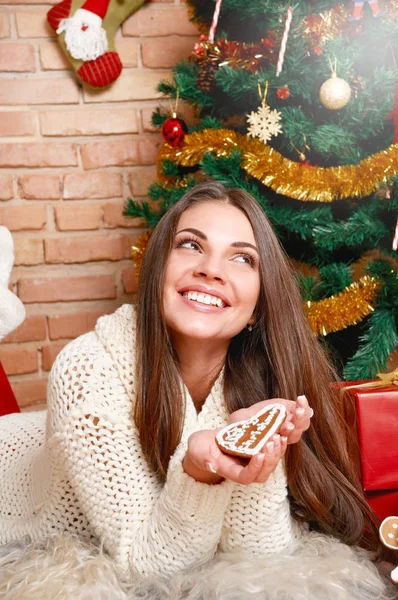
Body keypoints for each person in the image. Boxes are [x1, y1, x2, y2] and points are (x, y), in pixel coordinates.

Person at [0, 182, 392, 594]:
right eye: (190, 245)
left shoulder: (263, 377)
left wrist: (255, 464)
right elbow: (147, 568)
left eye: (242, 258)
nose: (212, 269)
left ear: (258, 306)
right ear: (157, 268)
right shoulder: (85, 371)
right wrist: (199, 470)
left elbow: (260, 563)